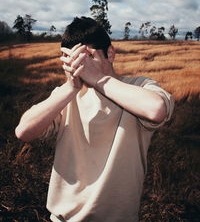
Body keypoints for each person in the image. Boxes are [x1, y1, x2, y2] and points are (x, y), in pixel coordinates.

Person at [15, 16, 174, 222]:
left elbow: (156, 110)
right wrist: (70, 88)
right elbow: (23, 131)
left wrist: (99, 79)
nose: (79, 66)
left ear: (110, 53)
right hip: (63, 218)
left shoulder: (139, 86)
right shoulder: (66, 96)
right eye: (71, 58)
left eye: (87, 56)